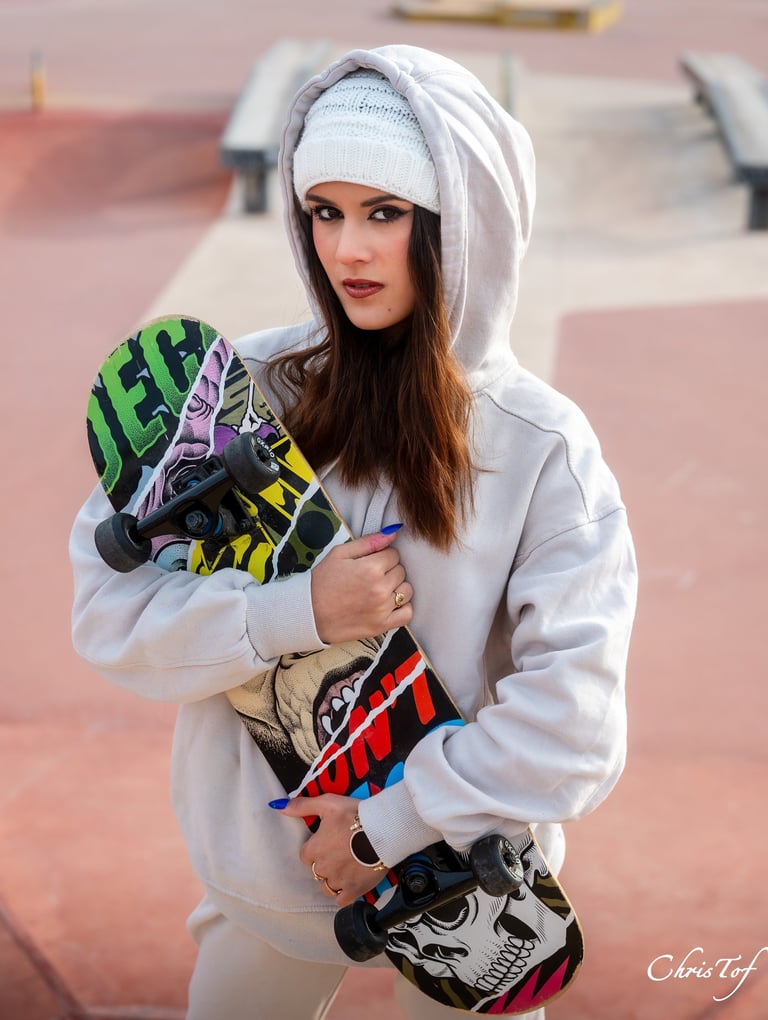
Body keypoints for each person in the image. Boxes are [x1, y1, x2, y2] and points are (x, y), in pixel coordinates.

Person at [70, 45, 637, 1020]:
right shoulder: (231, 400)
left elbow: (576, 726)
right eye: (324, 212)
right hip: (265, 889)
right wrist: (297, 611)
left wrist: (387, 823)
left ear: (459, 224)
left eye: (385, 213)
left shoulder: (543, 449)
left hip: (467, 894)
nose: (348, 252)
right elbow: (109, 615)